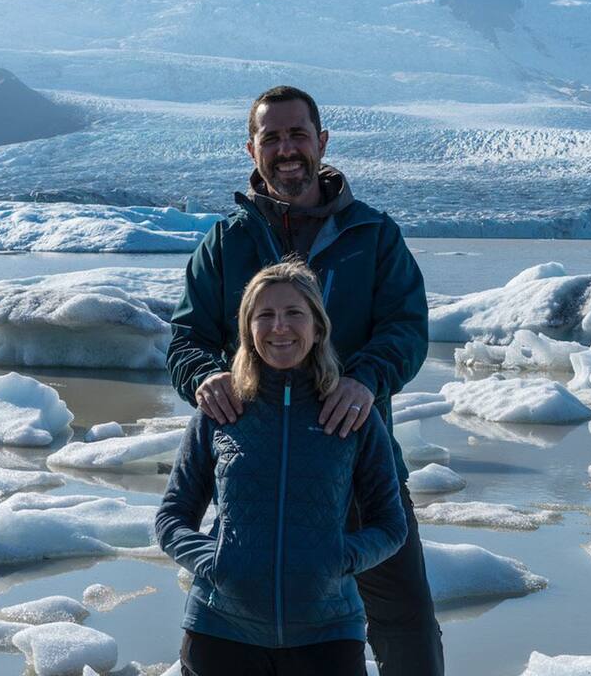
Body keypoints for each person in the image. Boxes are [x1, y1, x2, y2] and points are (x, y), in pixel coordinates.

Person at [168, 85, 444, 674]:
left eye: (298, 134)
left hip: (357, 458)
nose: (286, 148)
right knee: (245, 621)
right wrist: (207, 377)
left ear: (321, 142)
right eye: (272, 137)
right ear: (252, 149)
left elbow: (406, 328)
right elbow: (187, 338)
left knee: (403, 619)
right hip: (257, 475)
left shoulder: (372, 235)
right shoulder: (226, 242)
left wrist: (365, 380)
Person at [157, 261, 408, 675]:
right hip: (221, 630)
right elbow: (172, 518)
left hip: (327, 633)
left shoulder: (351, 411)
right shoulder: (222, 408)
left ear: (317, 325)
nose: (280, 328)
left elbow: (390, 524)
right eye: (265, 316)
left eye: (294, 313)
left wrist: (337, 559)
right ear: (248, 329)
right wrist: (217, 562)